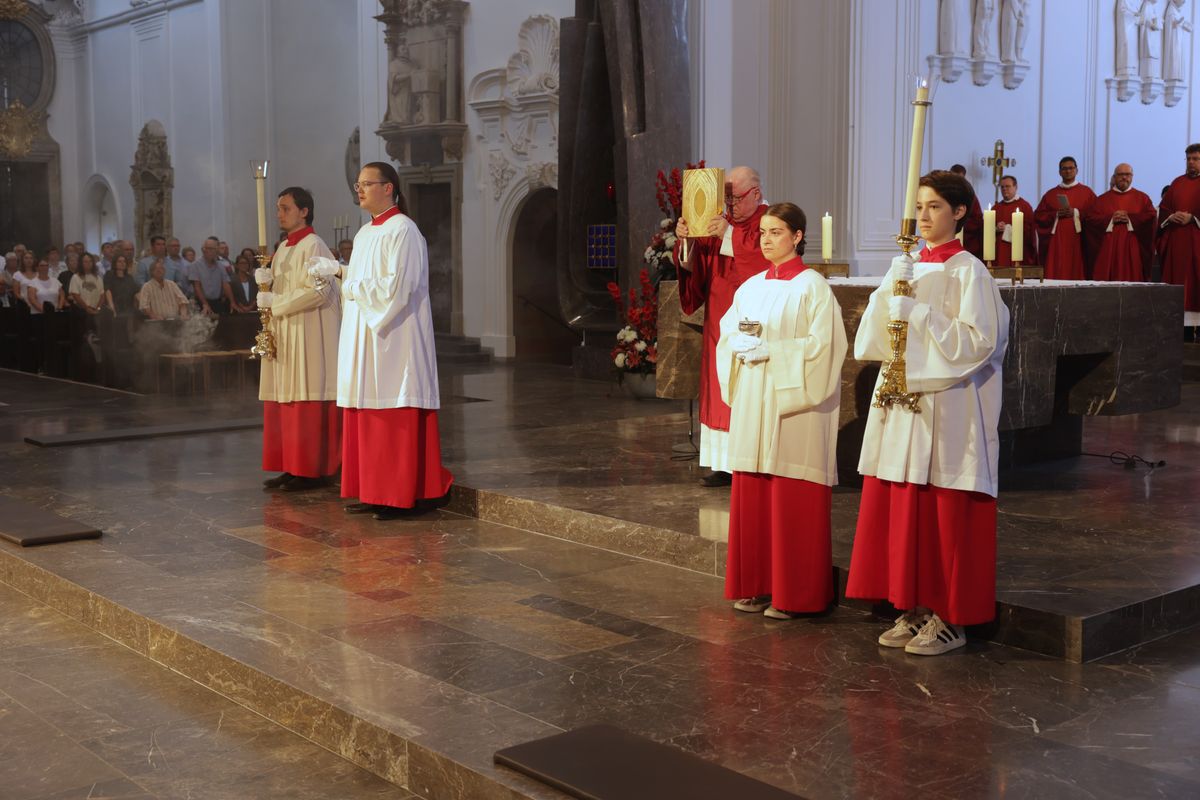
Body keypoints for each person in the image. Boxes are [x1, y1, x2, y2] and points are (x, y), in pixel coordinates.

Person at [847, 170, 1010, 656]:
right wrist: (888, 298)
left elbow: (980, 342)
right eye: (919, 206)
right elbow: (873, 342)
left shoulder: (969, 271)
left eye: (934, 206)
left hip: (949, 406)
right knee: (905, 502)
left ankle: (950, 617)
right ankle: (913, 605)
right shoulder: (907, 264)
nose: (922, 215)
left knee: (944, 507)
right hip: (903, 406)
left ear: (959, 213)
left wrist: (919, 313)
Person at [716, 202, 847, 619]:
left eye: (776, 232)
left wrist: (773, 350)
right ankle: (756, 584)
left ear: (797, 237)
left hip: (793, 404)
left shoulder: (813, 287)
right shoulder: (751, 286)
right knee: (754, 490)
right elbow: (729, 331)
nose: (767, 240)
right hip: (755, 396)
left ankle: (796, 594)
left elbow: (825, 348)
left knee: (791, 492)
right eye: (764, 233)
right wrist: (737, 346)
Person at [320, 161, 453, 520]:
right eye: (357, 183)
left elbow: (399, 288)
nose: (358, 189)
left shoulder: (404, 230)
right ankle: (374, 490)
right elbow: (363, 282)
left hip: (395, 337)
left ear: (388, 188)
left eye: (366, 183)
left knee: (392, 411)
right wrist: (341, 273)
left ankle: (399, 494)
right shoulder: (365, 234)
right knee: (366, 411)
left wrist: (346, 279)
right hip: (366, 337)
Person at [672, 166, 772, 487]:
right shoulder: (720, 223)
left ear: (755, 194)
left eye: (736, 198)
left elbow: (762, 260)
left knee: (745, 388)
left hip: (753, 323)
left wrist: (727, 234)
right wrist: (686, 243)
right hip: (719, 318)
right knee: (719, 386)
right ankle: (722, 463)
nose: (729, 205)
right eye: (726, 197)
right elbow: (696, 266)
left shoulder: (770, 222)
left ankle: (748, 462)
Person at [256, 186, 342, 492]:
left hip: (308, 332)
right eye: (278, 208)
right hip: (286, 331)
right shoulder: (282, 248)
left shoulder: (314, 245)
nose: (279, 213)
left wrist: (275, 303)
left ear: (304, 211)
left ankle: (311, 469)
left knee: (305, 393)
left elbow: (319, 291)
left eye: (286, 208)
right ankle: (292, 466)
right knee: (286, 395)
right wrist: (266, 285)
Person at [1084, 163, 1156, 282]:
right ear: (1114, 177)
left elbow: (1151, 217)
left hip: (1132, 247)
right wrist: (1110, 219)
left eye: (1127, 174)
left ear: (1132, 176)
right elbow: (1090, 219)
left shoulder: (1142, 198)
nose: (1124, 177)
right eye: (1121, 174)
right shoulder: (1102, 199)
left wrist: (1130, 218)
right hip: (1108, 249)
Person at [1158, 144, 1200, 340]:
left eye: (1196, 159)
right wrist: (1172, 216)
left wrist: (1193, 218)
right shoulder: (1177, 182)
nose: (1191, 162)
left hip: (1197, 243)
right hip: (1177, 243)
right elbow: (1164, 209)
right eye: (1189, 159)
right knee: (1178, 289)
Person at [1034, 157, 1096, 279]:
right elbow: (1039, 216)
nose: (1068, 171)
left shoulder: (1087, 193)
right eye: (1064, 168)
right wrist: (1056, 214)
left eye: (1071, 168)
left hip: (1078, 241)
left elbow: (1094, 216)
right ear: (1060, 172)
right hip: (1057, 242)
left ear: (1077, 170)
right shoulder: (1051, 194)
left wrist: (1076, 212)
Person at [994, 174, 1036, 266]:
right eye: (1002, 187)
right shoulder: (996, 208)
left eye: (1008, 186)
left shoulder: (1025, 206)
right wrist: (996, 228)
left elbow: (1029, 231)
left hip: (1017, 252)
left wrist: (1008, 228)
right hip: (999, 253)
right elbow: (986, 232)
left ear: (1015, 187)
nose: (1004, 189)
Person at [188, 237, 234, 314]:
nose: (216, 252)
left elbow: (226, 284)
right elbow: (197, 287)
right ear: (204, 250)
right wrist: (205, 304)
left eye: (216, 249)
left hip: (217, 302)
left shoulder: (221, 266)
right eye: (213, 249)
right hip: (201, 302)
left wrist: (232, 302)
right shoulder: (195, 265)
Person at [948, 164, 985, 259]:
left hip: (968, 241)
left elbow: (977, 219)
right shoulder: (945, 194)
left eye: (960, 179)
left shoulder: (970, 195)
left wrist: (961, 223)